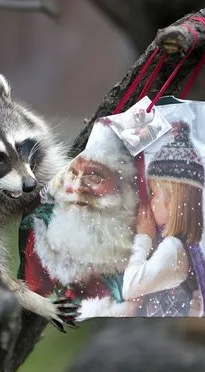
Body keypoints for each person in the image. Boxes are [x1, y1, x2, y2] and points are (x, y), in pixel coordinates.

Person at [77, 120, 205, 319]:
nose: (149, 200)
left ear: (173, 201)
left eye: (154, 194)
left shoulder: (173, 248)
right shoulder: (177, 247)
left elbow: (130, 287)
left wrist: (144, 238)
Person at [20, 121, 140, 303]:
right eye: (73, 175)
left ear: (121, 188)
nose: (76, 188)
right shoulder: (40, 233)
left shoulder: (139, 249)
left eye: (94, 176)